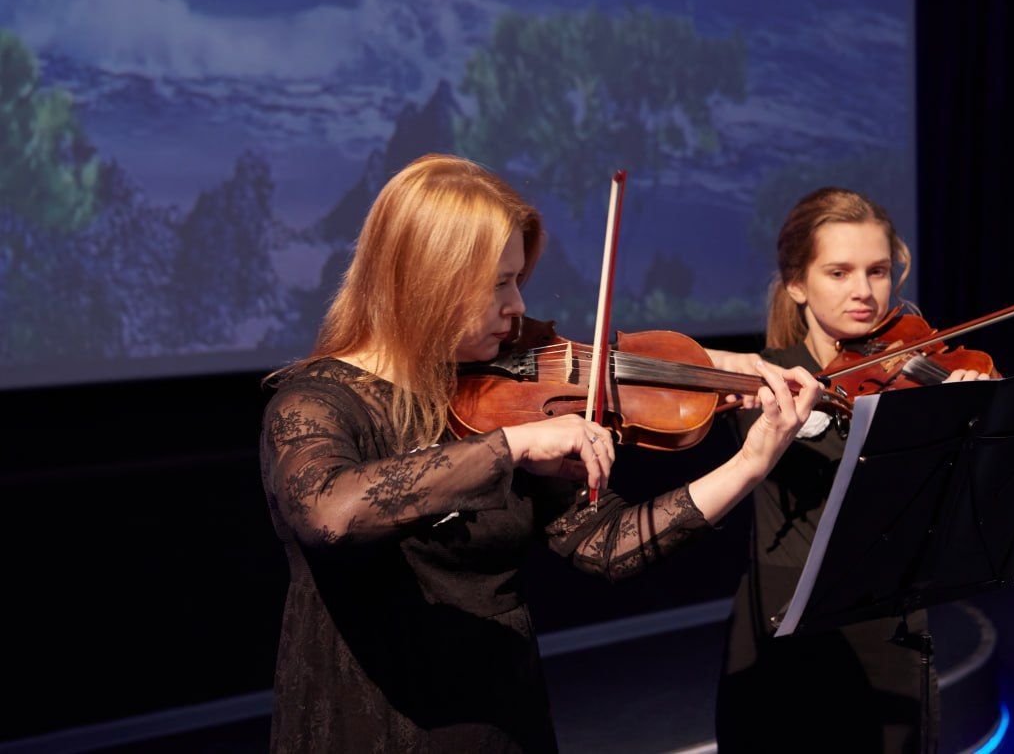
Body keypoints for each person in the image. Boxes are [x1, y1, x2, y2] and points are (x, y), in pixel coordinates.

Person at [259, 154, 820, 752]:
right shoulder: (314, 403)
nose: (518, 307)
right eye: (498, 284)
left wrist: (749, 464)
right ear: (429, 277)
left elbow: (607, 545)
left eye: (517, 281)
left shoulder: (498, 396)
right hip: (366, 725)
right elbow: (333, 514)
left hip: (498, 720)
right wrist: (510, 447)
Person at [714, 187, 990, 754]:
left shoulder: (916, 370)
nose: (864, 292)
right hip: (782, 621)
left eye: (879, 271)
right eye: (838, 273)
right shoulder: (766, 378)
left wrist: (967, 419)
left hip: (888, 621)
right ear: (797, 283)